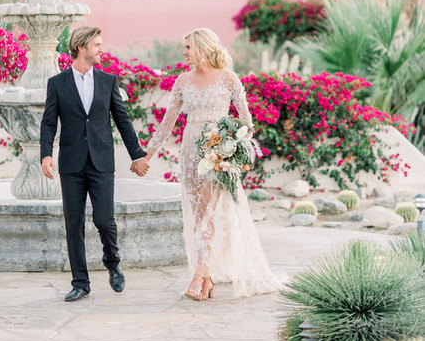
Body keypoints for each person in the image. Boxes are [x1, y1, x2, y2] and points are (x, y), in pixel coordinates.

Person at [141, 27, 279, 301]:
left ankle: (199, 274)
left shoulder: (229, 79)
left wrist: (231, 147)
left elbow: (246, 122)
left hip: (218, 154)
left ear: (202, 49)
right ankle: (207, 279)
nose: (184, 53)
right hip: (190, 152)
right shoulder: (182, 81)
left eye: (188, 47)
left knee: (207, 212)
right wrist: (147, 155)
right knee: (198, 214)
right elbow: (168, 122)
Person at [40, 25, 150, 302]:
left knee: (104, 220)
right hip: (71, 164)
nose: (102, 49)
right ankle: (81, 282)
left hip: (102, 162)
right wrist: (45, 154)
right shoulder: (57, 83)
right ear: (81, 47)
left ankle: (112, 262)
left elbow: (123, 120)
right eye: (97, 45)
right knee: (73, 223)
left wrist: (137, 154)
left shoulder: (108, 81)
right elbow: (49, 122)